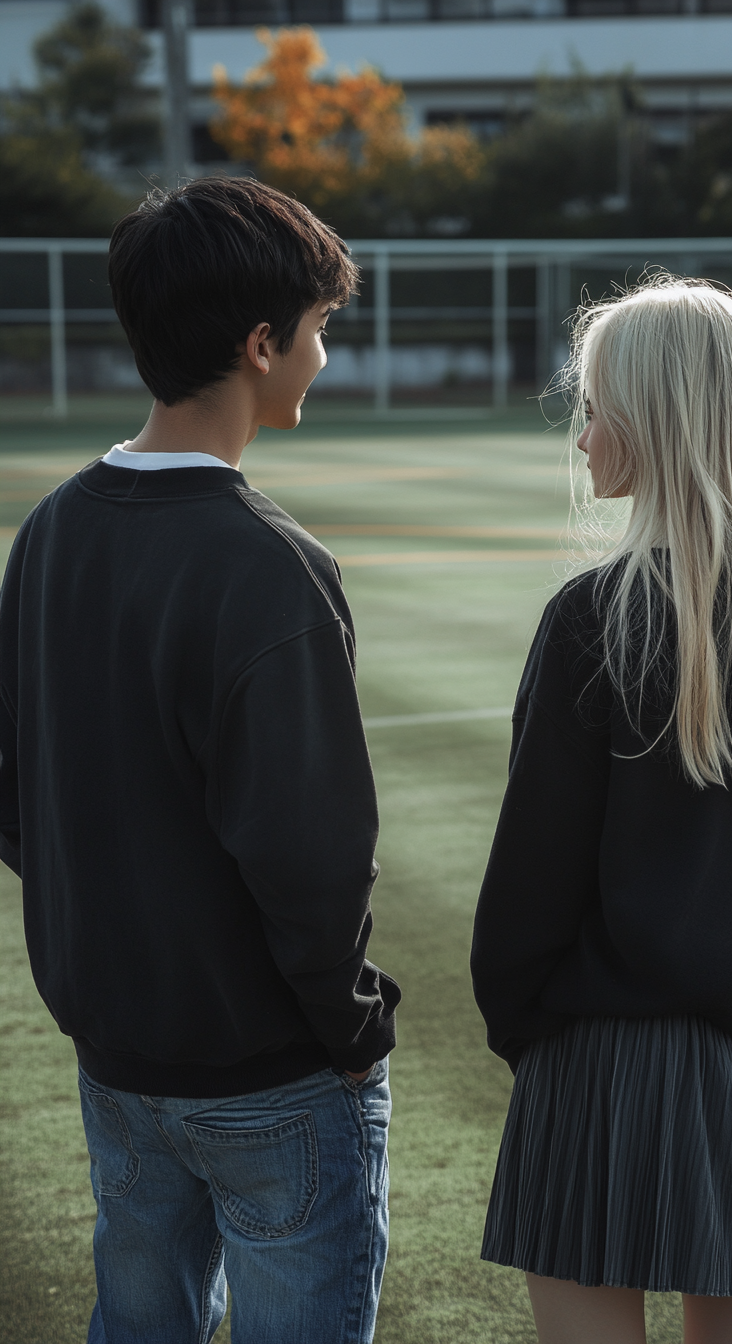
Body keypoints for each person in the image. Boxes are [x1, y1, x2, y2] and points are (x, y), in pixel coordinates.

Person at [0, 177, 400, 1344]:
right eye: (318, 329)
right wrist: (350, 1029)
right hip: (267, 1074)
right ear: (260, 342)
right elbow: (314, 859)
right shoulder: (271, 567)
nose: (323, 356)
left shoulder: (51, 533)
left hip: (116, 1062)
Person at [470, 277, 732, 1344]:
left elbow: (528, 884)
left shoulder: (591, 621)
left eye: (594, 409)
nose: (582, 437)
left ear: (654, 426)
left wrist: (525, 1031)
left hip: (594, 1061)